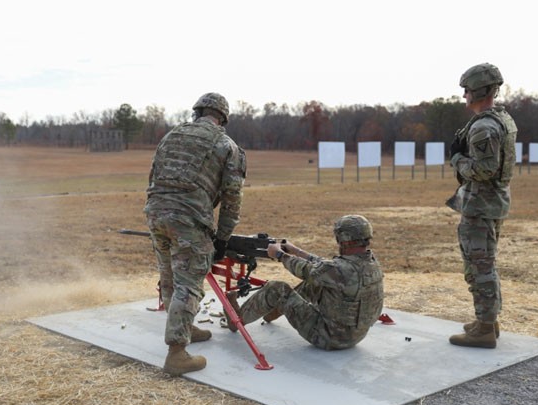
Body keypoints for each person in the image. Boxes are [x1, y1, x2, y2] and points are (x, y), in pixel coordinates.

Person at [144, 92, 246, 375]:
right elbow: (232, 197)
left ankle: (184, 326)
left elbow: (152, 176)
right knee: (189, 282)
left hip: (155, 212)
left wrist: (159, 210)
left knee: (170, 276)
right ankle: (177, 353)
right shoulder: (226, 145)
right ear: (222, 117)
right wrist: (223, 238)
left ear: (197, 112)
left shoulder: (171, 136)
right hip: (188, 219)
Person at [225, 215, 384, 350]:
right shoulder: (370, 263)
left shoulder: (340, 270)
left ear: (344, 240)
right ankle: (271, 313)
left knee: (277, 288)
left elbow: (310, 271)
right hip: (353, 336)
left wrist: (280, 255)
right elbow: (325, 269)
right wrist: (296, 251)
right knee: (314, 283)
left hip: (329, 339)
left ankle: (235, 321)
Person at [446, 63, 518, 349]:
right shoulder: (500, 119)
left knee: (480, 266)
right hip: (491, 203)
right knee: (485, 263)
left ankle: (485, 329)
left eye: (467, 90)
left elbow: (485, 169)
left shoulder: (485, 126)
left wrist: (457, 160)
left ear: (477, 91)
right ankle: (487, 321)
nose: (464, 95)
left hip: (481, 205)